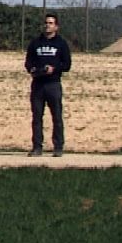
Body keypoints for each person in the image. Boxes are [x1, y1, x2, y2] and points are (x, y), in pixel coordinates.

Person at [24, 13, 73, 156]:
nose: (47, 25)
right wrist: (32, 69)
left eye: (51, 23)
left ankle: (58, 147)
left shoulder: (61, 44)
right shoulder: (35, 43)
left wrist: (54, 69)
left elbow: (67, 65)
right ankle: (37, 147)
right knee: (37, 117)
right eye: (46, 22)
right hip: (38, 85)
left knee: (56, 116)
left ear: (56, 26)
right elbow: (28, 61)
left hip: (53, 85)